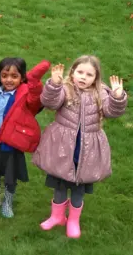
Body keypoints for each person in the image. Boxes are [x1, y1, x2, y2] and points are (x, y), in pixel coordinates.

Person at [33, 56, 127, 238]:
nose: (83, 77)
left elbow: (112, 112)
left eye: (89, 74)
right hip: (62, 146)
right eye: (80, 72)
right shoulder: (66, 89)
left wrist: (116, 97)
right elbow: (49, 102)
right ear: (72, 72)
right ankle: (57, 216)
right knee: (60, 184)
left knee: (78, 187)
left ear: (96, 77)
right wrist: (54, 84)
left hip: (87, 149)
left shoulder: (101, 94)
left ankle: (73, 220)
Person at [0, 58, 50, 218]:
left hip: (12, 145)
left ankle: (8, 203)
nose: (9, 80)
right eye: (5, 76)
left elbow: (35, 100)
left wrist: (34, 81)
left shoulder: (24, 94)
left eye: (14, 76)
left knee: (10, 177)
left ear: (22, 77)